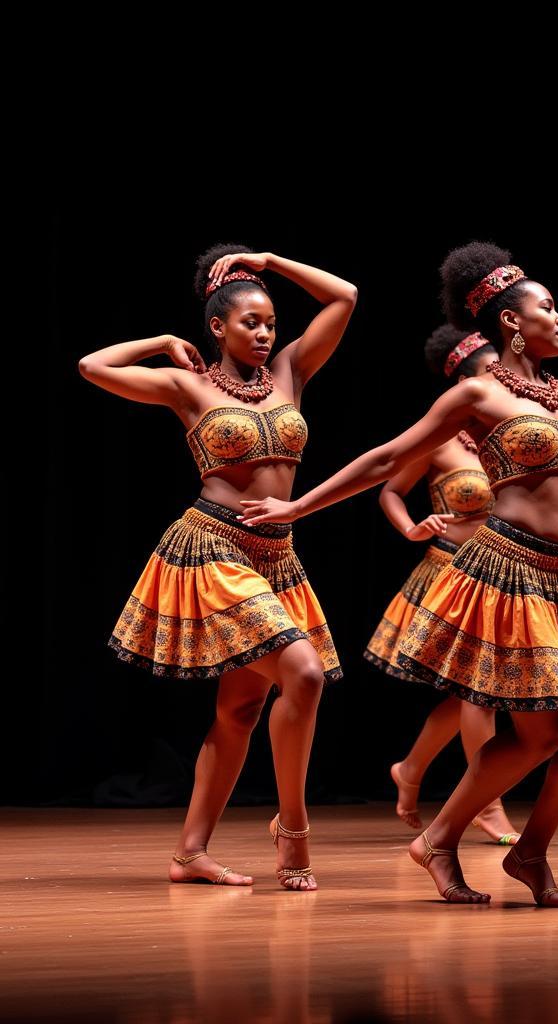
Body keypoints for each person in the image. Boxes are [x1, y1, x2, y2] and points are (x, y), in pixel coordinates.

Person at [239, 241, 558, 906]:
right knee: (541, 732)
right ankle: (448, 841)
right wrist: (298, 506)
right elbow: (386, 461)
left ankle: (521, 849)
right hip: (508, 571)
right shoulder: (475, 395)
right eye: (548, 307)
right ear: (511, 322)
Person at [80, 245, 357, 890]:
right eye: (250, 323)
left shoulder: (290, 372)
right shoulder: (189, 386)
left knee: (239, 711)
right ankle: (293, 831)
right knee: (304, 674)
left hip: (278, 557)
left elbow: (344, 296)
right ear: (217, 327)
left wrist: (268, 260)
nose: (264, 335)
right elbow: (92, 366)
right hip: (214, 550)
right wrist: (160, 341)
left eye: (269, 324)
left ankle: (189, 853)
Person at [365, 324, 519, 843]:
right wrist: (412, 526)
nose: (502, 377)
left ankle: (410, 770)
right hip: (451, 572)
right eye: (490, 370)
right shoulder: (440, 439)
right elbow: (390, 490)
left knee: (467, 697)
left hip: (502, 575)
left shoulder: (511, 431)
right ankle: (488, 803)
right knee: (478, 693)